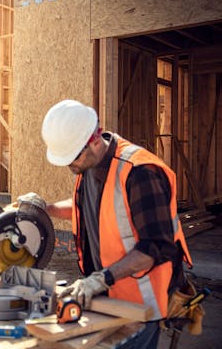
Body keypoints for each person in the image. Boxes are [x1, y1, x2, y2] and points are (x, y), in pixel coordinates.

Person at [39, 99, 196, 348]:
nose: (71, 165)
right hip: (107, 296)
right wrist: (46, 209)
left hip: (141, 305)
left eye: (73, 157)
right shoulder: (89, 165)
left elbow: (157, 246)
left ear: (95, 137)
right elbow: (88, 208)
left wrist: (101, 278)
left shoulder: (140, 172)